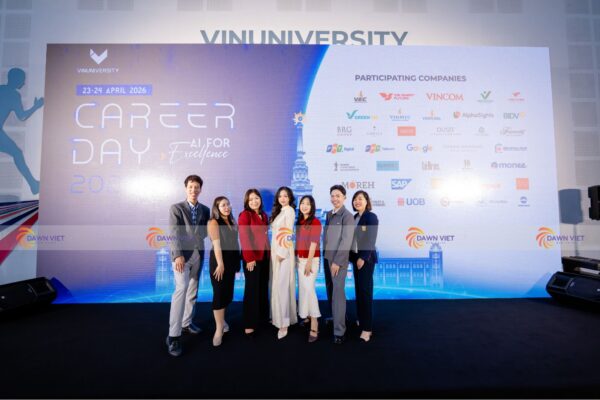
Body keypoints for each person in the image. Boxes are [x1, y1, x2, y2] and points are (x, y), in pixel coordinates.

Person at [166, 175, 210, 357]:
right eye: (191, 187)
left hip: (198, 254)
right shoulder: (176, 208)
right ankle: (173, 336)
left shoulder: (205, 210)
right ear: (186, 188)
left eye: (197, 187)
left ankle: (186, 323)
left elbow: (205, 232)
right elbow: (173, 233)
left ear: (200, 189)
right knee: (181, 289)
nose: (194, 190)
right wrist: (177, 255)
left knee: (193, 289)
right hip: (181, 257)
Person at [0, 68, 44, 195]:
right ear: (16, 79)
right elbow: (22, 116)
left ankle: (33, 184)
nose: (24, 83)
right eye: (22, 80)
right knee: (17, 153)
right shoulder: (14, 94)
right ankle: (33, 184)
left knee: (17, 153)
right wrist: (36, 106)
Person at [208, 196, 241, 347]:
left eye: (228, 204)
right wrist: (220, 264)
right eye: (223, 205)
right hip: (219, 263)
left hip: (231, 262)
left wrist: (237, 264)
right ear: (217, 208)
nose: (226, 207)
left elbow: (235, 243)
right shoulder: (214, 222)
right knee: (219, 295)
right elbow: (216, 245)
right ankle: (219, 329)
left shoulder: (232, 222)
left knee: (227, 295)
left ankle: (222, 321)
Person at [323, 184, 354, 344]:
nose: (335, 198)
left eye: (338, 196)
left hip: (338, 261)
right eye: (333, 195)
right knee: (331, 292)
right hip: (327, 258)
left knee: (338, 294)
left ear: (344, 198)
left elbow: (346, 241)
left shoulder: (347, 216)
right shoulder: (330, 214)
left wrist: (337, 261)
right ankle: (336, 318)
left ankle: (339, 331)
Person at [238, 189, 270, 338]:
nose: (254, 201)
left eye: (256, 198)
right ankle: (249, 324)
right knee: (251, 290)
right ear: (247, 202)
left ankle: (262, 318)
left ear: (260, 200)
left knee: (262, 288)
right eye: (250, 199)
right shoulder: (245, 215)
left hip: (265, 257)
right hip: (252, 258)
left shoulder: (264, 215)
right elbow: (244, 237)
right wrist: (250, 258)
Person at [350, 190, 379, 343]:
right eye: (355, 199)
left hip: (366, 259)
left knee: (365, 292)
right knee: (359, 291)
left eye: (360, 199)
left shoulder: (371, 216)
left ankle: (367, 328)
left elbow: (371, 239)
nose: (357, 201)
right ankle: (361, 319)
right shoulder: (354, 217)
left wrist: (362, 257)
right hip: (355, 259)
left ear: (367, 201)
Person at [269, 186, 297, 339]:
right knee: (278, 287)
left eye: (285, 196)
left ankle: (284, 324)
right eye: (280, 196)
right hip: (276, 251)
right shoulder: (281, 211)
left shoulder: (290, 211)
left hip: (283, 254)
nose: (282, 198)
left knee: (282, 287)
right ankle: (278, 317)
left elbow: (289, 233)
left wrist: (282, 252)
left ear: (290, 198)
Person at [295, 195, 322, 343]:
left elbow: (313, 243)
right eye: (302, 203)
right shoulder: (299, 221)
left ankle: (315, 323)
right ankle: (307, 315)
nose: (304, 206)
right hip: (300, 260)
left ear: (312, 207)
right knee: (304, 290)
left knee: (309, 290)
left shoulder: (315, 222)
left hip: (311, 260)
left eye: (308, 204)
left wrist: (309, 262)